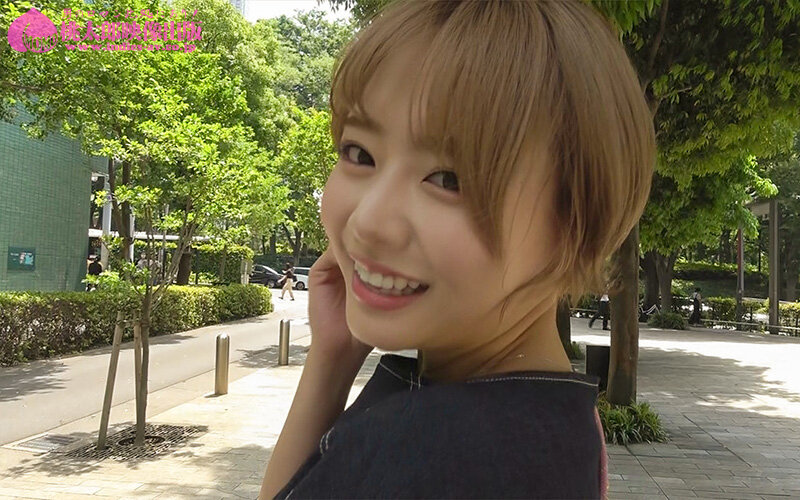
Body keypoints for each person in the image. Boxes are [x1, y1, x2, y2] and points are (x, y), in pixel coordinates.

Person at [259, 1, 655, 498]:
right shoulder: (546, 414)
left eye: (449, 180)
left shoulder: (434, 455)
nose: (367, 222)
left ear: (576, 221)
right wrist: (332, 357)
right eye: (360, 153)